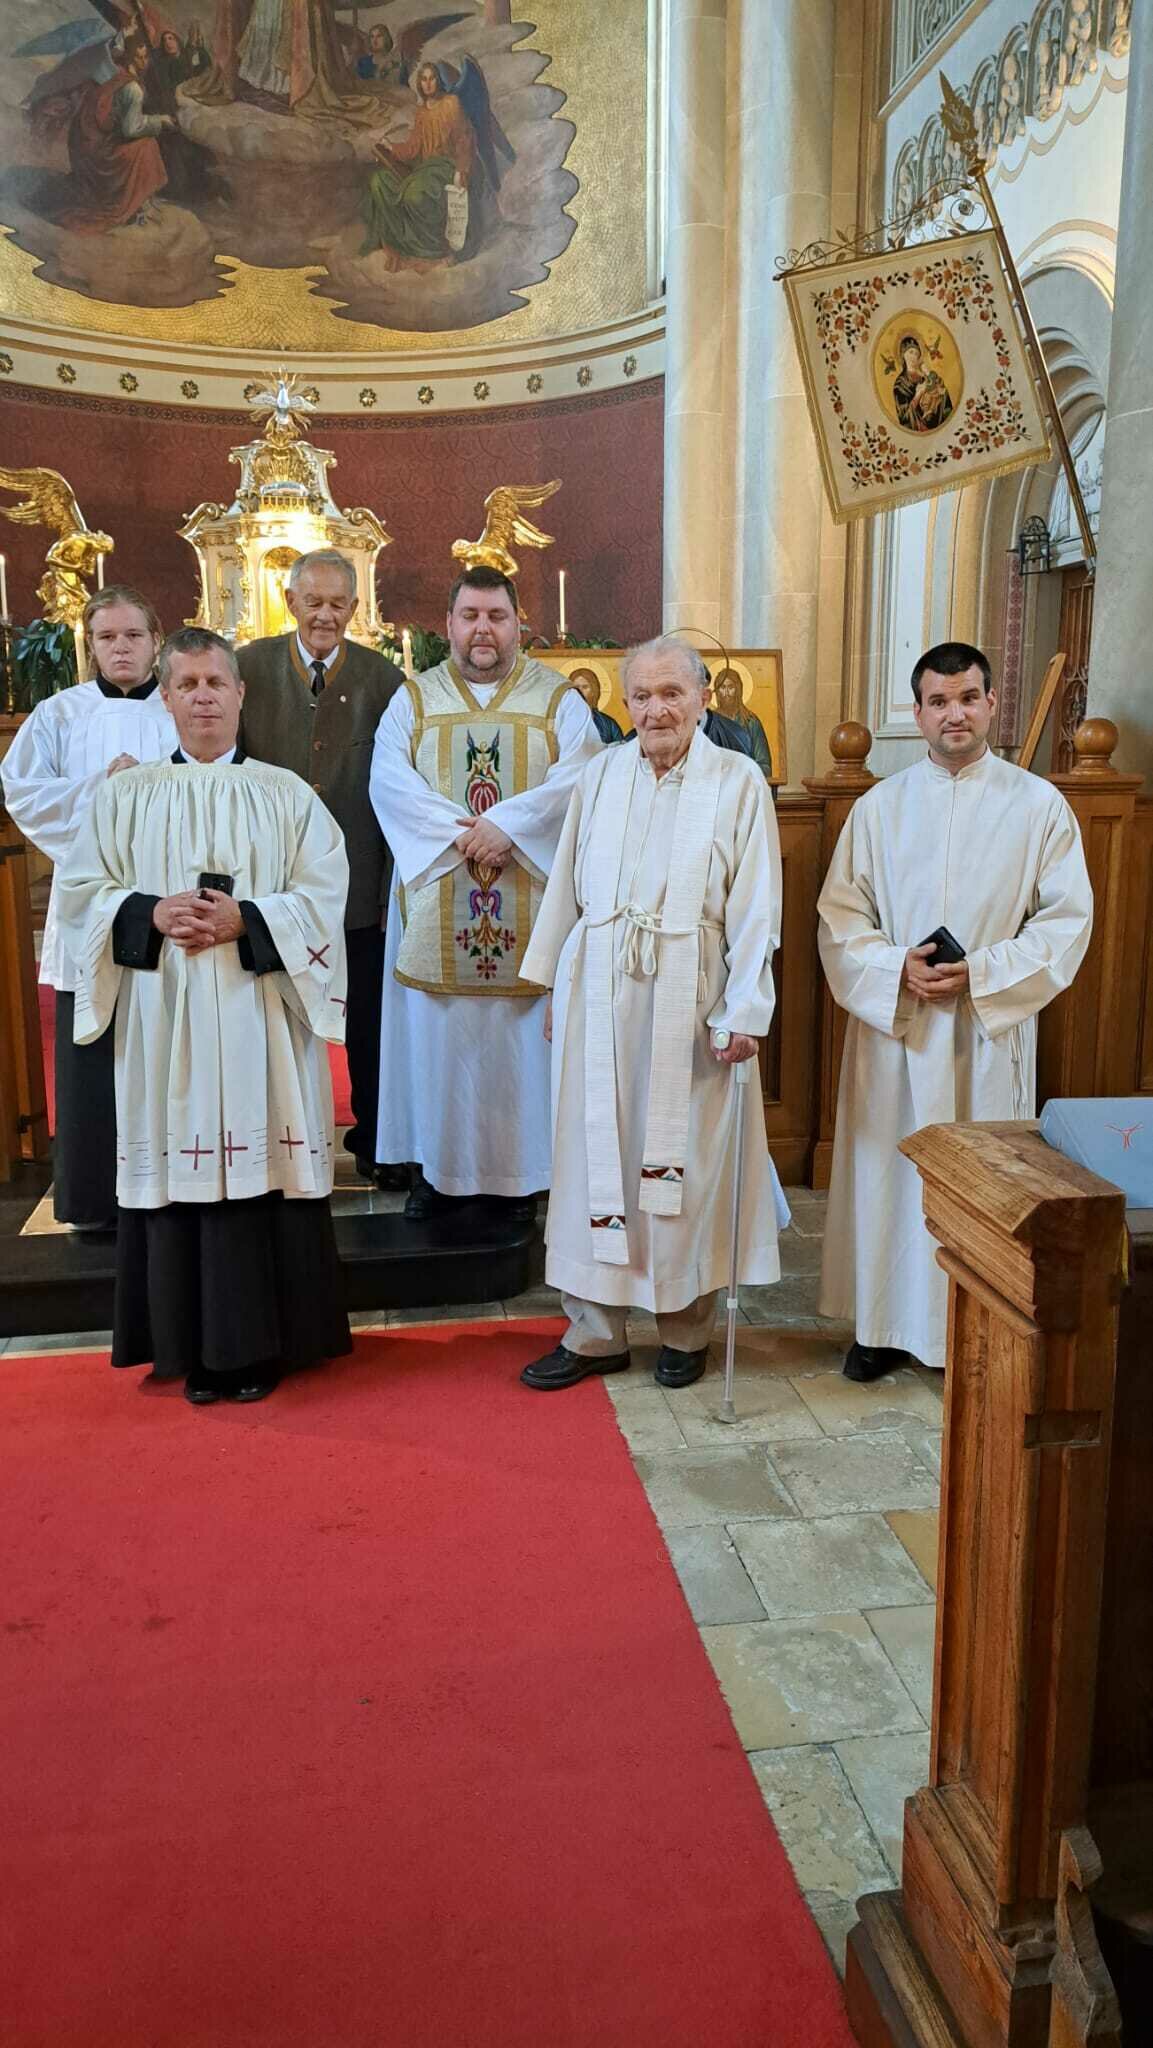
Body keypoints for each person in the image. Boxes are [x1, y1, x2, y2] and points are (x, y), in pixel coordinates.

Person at [57, 627, 352, 1406]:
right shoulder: (124, 796)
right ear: (166, 698)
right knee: (177, 1153)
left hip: (258, 1014)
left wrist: (248, 919)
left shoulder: (286, 795)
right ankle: (186, 1346)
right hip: (167, 1019)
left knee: (261, 1155)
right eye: (186, 685)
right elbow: (80, 895)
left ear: (240, 693)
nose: (202, 698)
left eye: (215, 682)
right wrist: (149, 913)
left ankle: (264, 1347)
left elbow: (324, 895)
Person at [817, 641, 1093, 1382]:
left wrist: (984, 974)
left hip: (984, 1029)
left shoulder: (1037, 805)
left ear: (991, 704)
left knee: (984, 1180)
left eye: (968, 698)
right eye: (938, 702)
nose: (954, 714)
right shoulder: (879, 808)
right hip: (898, 1030)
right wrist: (892, 967)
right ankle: (882, 1325)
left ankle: (973, 1327)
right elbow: (840, 919)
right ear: (917, 713)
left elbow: (1066, 921)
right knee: (889, 1175)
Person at [518, 637, 786, 1392]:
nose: (657, 709)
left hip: (690, 997)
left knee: (684, 1159)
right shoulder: (600, 775)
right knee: (592, 1155)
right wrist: (554, 986)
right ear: (625, 703)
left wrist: (745, 1009)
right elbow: (566, 886)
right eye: (642, 695)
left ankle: (684, 1326)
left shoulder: (737, 780)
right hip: (599, 986)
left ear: (701, 697)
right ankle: (595, 1328)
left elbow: (757, 907)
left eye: (672, 693)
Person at [369, 565, 601, 1223]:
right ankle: (435, 1173)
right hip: (438, 899)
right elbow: (389, 783)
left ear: (517, 624)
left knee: (519, 1054)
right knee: (437, 1048)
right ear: (448, 624)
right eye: (469, 615)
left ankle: (521, 1179)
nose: (482, 630)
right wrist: (469, 837)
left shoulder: (558, 701)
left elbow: (580, 779)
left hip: (530, 901)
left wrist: (510, 829)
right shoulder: (414, 700)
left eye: (496, 617)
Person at [1, 586, 176, 1231]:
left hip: (168, 900)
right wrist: (103, 789)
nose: (121, 648)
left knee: (165, 1041)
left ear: (156, 640)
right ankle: (94, 1198)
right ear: (90, 645)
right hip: (89, 900)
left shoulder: (183, 705)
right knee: (92, 1045)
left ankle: (172, 1181)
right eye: (107, 637)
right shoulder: (60, 714)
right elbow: (22, 792)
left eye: (133, 635)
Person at [238, 549, 402, 1184]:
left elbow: (397, 790)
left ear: (355, 608)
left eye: (338, 604)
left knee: (369, 1024)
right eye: (314, 602)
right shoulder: (246, 669)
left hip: (359, 885)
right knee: (272, 1016)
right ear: (291, 603)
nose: (325, 615)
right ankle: (268, 1143)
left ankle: (378, 1143)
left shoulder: (384, 680)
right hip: (273, 889)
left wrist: (387, 892)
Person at [59, 35, 175, 232]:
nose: (145, 62)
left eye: (146, 57)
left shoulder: (116, 75)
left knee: (142, 144)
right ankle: (135, 204)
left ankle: (139, 201)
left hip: (88, 145)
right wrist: (160, 120)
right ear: (129, 58)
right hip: (100, 152)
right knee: (147, 146)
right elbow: (131, 129)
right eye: (139, 57)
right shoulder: (133, 88)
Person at [711, 666, 774, 779]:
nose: (726, 693)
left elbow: (765, 766)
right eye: (722, 687)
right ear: (717, 691)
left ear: (738, 689)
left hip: (746, 785)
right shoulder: (711, 723)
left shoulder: (751, 722)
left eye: (730, 687)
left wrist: (741, 772)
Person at [570, 667, 624, 746]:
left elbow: (621, 749)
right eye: (576, 688)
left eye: (585, 687)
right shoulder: (562, 721)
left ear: (593, 691)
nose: (580, 692)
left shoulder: (608, 724)